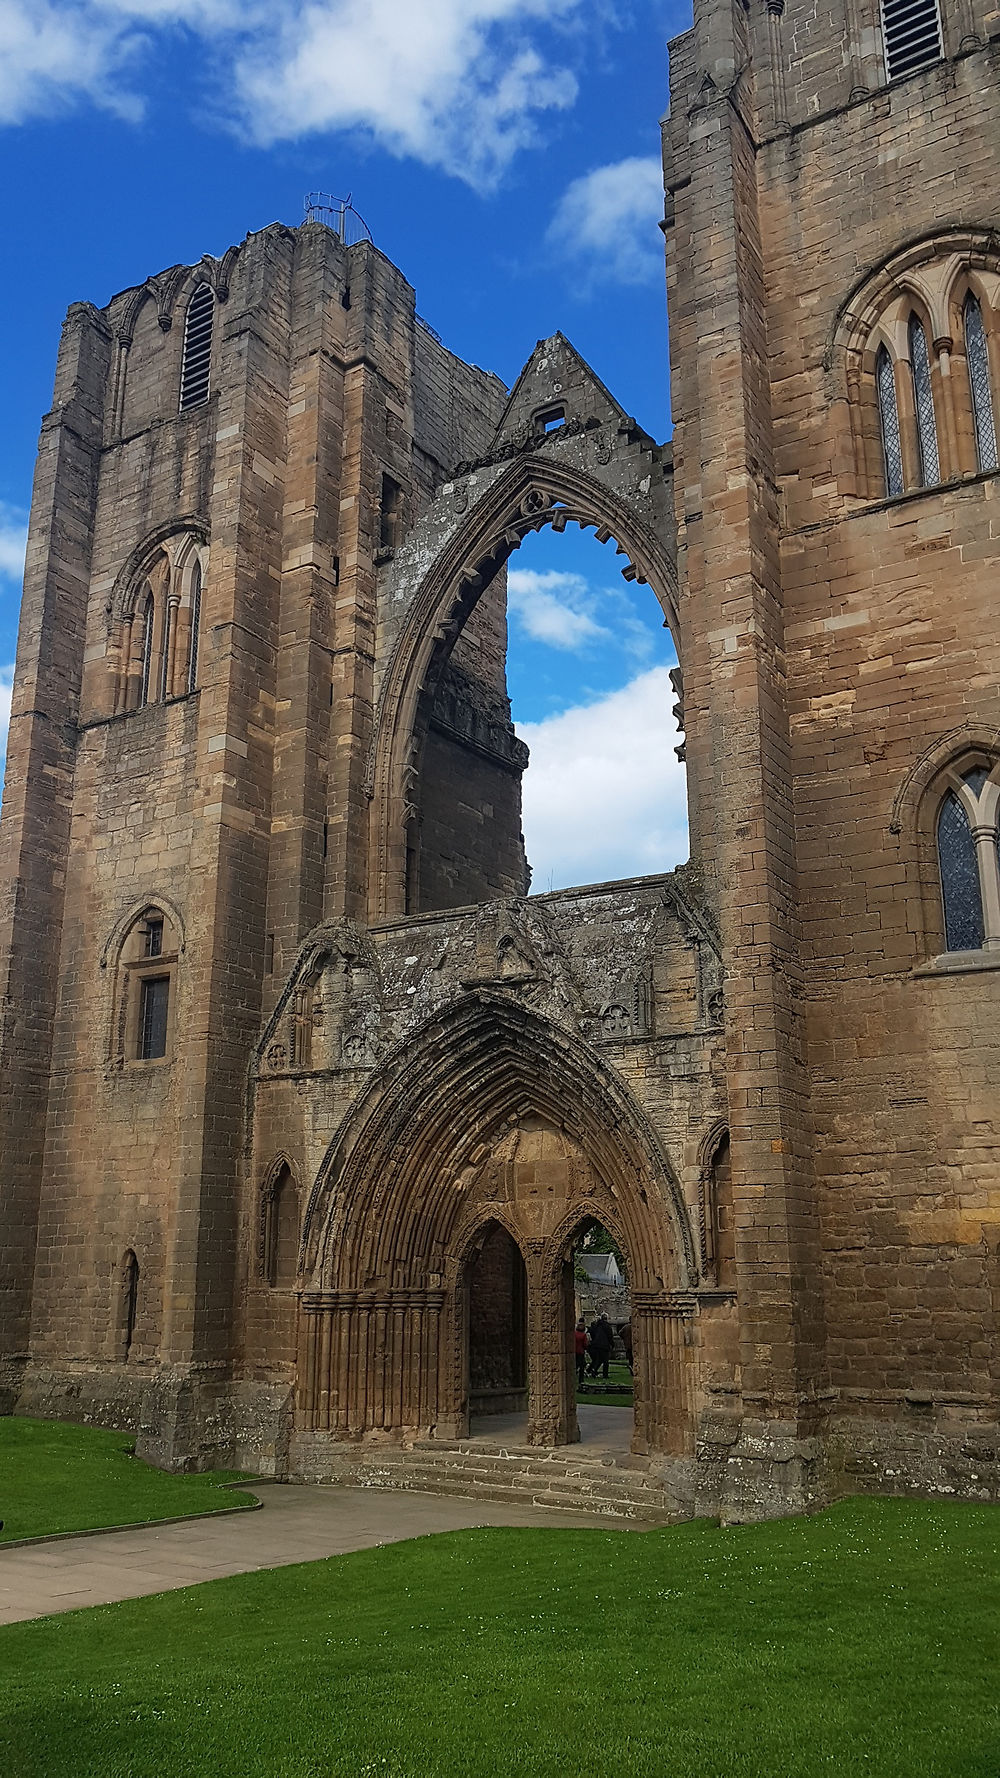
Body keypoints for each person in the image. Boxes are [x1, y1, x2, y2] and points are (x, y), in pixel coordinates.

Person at [588, 1312, 613, 1380]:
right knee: (605, 1361)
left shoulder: (598, 1325)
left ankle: (594, 1370)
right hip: (604, 1345)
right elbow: (610, 1336)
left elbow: (593, 1333)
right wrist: (612, 1344)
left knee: (599, 1359)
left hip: (596, 1344)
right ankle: (605, 1375)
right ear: (606, 1318)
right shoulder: (607, 1326)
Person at [574, 1317, 588, 1386]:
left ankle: (572, 1378)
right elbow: (585, 1344)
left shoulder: (574, 1334)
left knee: (575, 1366)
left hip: (574, 1351)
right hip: (581, 1352)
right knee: (582, 1367)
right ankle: (581, 1380)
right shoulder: (583, 1335)